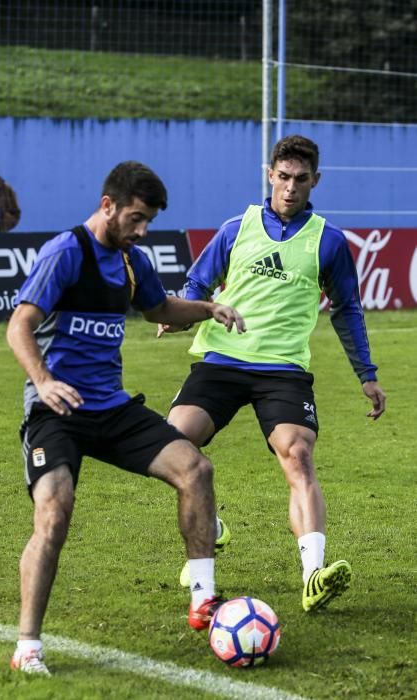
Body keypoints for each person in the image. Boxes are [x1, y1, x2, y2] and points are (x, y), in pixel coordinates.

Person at [6, 160, 246, 676]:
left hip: (111, 408)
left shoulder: (132, 261)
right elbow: (18, 327)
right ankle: (28, 645)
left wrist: (207, 309)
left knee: (196, 470)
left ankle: (203, 600)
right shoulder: (66, 253)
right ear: (108, 205)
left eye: (149, 221)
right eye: (136, 218)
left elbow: (159, 310)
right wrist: (45, 381)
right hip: (58, 411)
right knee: (54, 511)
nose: (142, 230)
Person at [159, 135, 386, 613]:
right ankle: (211, 526)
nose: (290, 188)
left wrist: (366, 373)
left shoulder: (328, 240)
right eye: (283, 177)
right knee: (170, 446)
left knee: (298, 456)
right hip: (220, 361)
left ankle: (313, 574)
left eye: (301, 180)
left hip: (283, 371)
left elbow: (347, 309)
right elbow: (198, 282)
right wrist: (177, 312)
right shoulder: (235, 228)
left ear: (314, 182)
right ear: (270, 175)